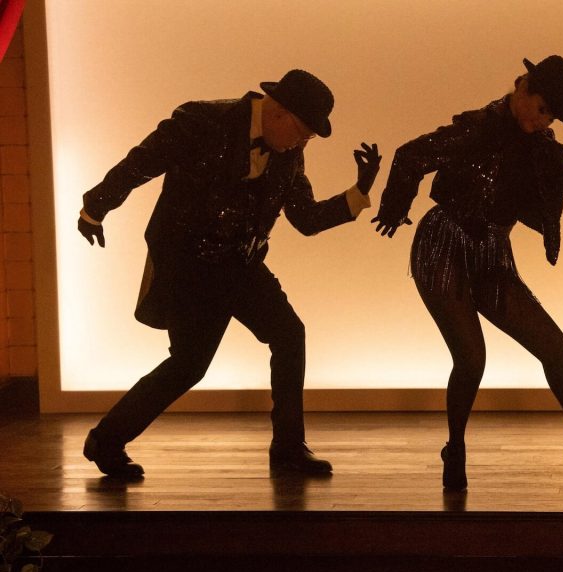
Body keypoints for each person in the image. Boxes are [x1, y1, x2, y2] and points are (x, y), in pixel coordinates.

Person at [78, 69, 382, 478]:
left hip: (241, 263)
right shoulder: (201, 121)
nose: (303, 142)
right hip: (190, 263)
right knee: (189, 365)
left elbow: (305, 219)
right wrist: (95, 207)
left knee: (289, 335)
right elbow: (140, 164)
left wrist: (358, 192)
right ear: (279, 113)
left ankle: (289, 450)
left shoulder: (288, 150)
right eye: (303, 132)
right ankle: (106, 440)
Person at [372, 55, 563, 490]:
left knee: (555, 346)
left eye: (555, 119)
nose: (546, 123)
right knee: (472, 357)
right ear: (524, 88)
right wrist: (394, 209)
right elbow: (411, 156)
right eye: (543, 110)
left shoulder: (544, 148)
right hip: (443, 244)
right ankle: (455, 447)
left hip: (492, 255)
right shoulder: (478, 126)